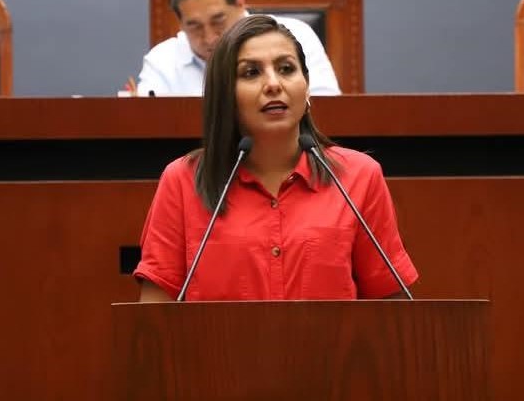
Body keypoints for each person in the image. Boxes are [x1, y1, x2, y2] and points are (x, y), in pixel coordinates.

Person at [134, 15, 417, 301]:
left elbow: (390, 307)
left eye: (286, 69)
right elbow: (156, 315)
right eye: (251, 73)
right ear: (225, 95)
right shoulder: (182, 181)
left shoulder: (358, 176)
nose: (273, 84)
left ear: (306, 86)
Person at [134, 0, 341, 97]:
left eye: (218, 21)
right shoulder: (162, 60)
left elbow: (327, 110)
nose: (209, 38)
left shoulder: (296, 37)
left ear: (240, 3)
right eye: (195, 26)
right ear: (180, 24)